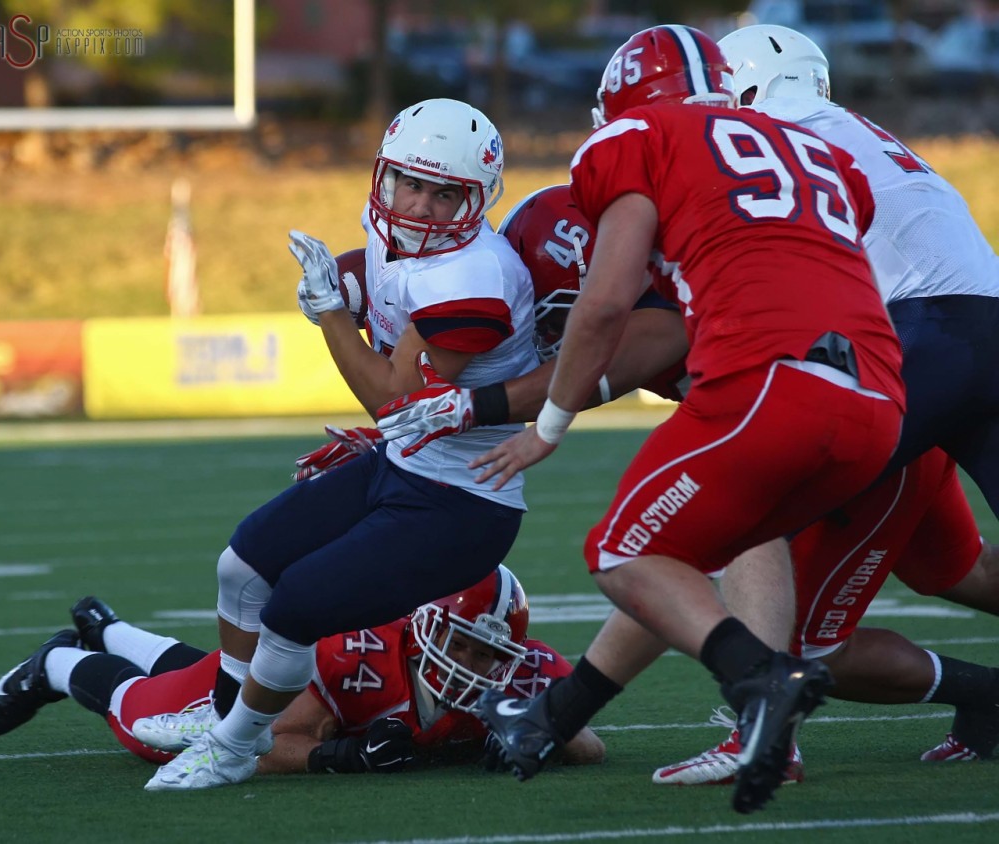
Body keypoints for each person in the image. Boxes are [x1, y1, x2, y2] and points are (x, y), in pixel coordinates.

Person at [378, 183, 999, 781]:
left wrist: (463, 412)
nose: (537, 334)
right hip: (885, 402)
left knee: (791, 618)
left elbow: (584, 370)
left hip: (857, 428)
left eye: (541, 311)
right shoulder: (687, 271)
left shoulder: (660, 320)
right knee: (961, 573)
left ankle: (767, 736)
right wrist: (398, 442)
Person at [465, 24, 906, 816]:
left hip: (769, 377)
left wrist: (551, 423)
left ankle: (763, 679)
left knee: (621, 550)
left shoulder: (639, 134)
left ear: (621, 104)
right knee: (685, 554)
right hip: (878, 396)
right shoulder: (812, 148)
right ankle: (561, 717)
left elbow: (602, 306)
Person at [138, 97, 540, 791]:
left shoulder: (475, 278)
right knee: (244, 565)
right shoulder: (408, 244)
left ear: (477, 200)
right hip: (406, 468)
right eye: (408, 183)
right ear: (384, 176)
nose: (419, 206)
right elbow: (376, 280)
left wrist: (331, 313)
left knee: (298, 605)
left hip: (463, 502)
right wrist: (347, 288)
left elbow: (389, 398)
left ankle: (234, 748)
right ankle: (226, 710)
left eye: (445, 194)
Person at [644, 22, 999, 783]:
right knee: (956, 570)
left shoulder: (770, 142)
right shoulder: (854, 129)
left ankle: (764, 734)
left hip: (918, 336)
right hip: (982, 323)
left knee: (748, 492)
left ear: (739, 92)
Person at [0, 572, 605, 774]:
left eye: (490, 654)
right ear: (427, 627)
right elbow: (267, 740)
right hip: (276, 684)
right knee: (150, 725)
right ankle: (56, 663)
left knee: (199, 670)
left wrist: (534, 732)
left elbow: (590, 744)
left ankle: (108, 628)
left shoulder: (521, 675)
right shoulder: (361, 656)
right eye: (461, 644)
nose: (472, 665)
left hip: (275, 660)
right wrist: (340, 758)